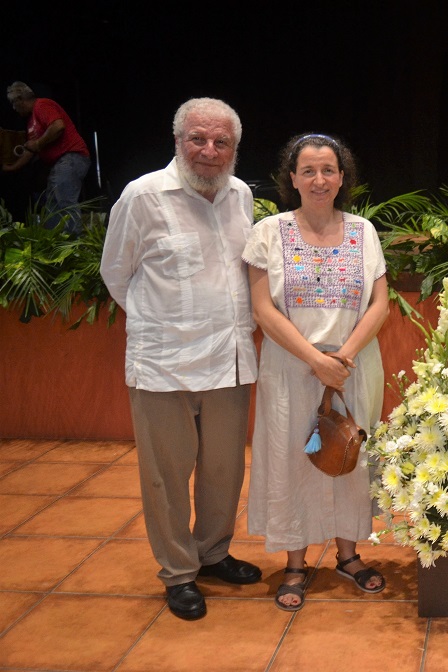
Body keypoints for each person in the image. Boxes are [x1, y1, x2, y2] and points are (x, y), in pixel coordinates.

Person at [99, 97, 262, 620]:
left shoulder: (241, 196)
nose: (209, 151)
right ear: (178, 141)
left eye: (221, 142)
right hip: (164, 364)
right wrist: (163, 323)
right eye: (198, 139)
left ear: (234, 148)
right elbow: (115, 275)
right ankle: (178, 572)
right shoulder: (142, 196)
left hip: (231, 360)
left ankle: (212, 554)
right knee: (166, 476)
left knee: (223, 470)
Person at [243, 133, 389, 611]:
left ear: (342, 178)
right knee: (292, 461)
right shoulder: (268, 231)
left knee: (348, 455)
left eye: (328, 170)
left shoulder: (363, 231)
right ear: (293, 178)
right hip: (291, 370)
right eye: (308, 170)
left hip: (352, 368)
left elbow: (380, 303)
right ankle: (295, 563)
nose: (319, 179)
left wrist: (341, 358)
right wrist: (315, 360)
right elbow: (263, 309)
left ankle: (348, 556)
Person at [4, 81, 91, 233]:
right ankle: (52, 246)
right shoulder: (31, 122)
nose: (13, 108)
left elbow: (58, 126)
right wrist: (10, 168)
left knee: (65, 202)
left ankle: (74, 245)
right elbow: (30, 151)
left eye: (13, 103)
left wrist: (38, 143)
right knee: (52, 208)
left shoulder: (42, 105)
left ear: (20, 99)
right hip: (59, 164)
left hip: (71, 157)